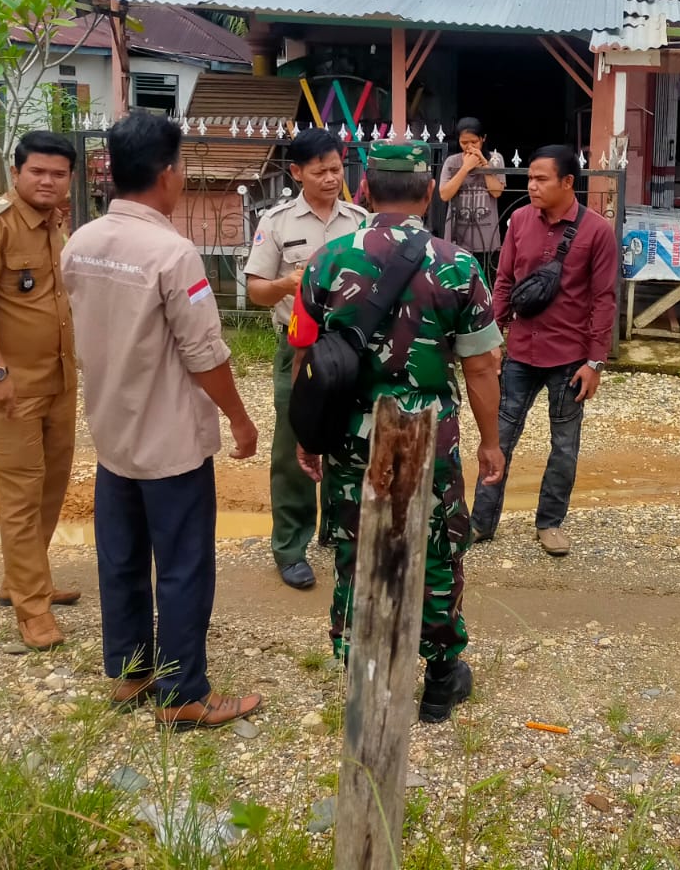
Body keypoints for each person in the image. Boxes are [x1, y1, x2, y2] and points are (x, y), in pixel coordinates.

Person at [288, 142, 505, 724]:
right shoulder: (458, 264)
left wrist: (307, 436)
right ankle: (439, 680)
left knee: (358, 548)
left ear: (363, 189)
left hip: (350, 432)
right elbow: (483, 366)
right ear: (429, 192)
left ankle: (365, 674)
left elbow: (307, 358)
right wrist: (490, 442)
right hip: (427, 435)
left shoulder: (325, 262)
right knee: (436, 547)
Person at [62, 111, 263, 729]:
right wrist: (239, 418)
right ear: (169, 174)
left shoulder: (81, 242)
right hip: (170, 442)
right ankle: (184, 696)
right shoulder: (174, 255)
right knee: (182, 567)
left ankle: (129, 676)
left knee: (120, 558)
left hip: (112, 434)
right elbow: (204, 354)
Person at [0, 130, 80, 652]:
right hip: (12, 387)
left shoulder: (58, 222)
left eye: (58, 173)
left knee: (52, 485)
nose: (48, 181)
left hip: (59, 380)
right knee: (21, 494)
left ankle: (26, 579)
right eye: (38, 172)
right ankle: (32, 609)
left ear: (69, 179)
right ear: (17, 173)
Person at [472, 145, 618, 558]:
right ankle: (481, 521)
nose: (531, 186)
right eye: (530, 178)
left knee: (565, 445)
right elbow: (502, 282)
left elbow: (604, 298)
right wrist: (492, 338)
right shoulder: (519, 220)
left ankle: (550, 523)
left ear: (568, 182)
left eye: (541, 179)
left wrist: (595, 362)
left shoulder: (596, 232)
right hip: (518, 352)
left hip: (570, 358)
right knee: (498, 437)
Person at [243, 128, 366, 591]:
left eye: (336, 169)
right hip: (297, 347)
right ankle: (291, 547)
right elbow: (254, 290)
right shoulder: (276, 223)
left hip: (350, 347)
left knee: (348, 438)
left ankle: (336, 530)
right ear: (296, 173)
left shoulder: (359, 220)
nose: (332, 178)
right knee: (295, 444)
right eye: (320, 171)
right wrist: (285, 285)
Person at [437, 117, 506, 280]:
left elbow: (497, 192)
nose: (469, 147)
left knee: (487, 283)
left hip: (487, 239)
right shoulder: (452, 162)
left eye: (474, 142)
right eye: (464, 143)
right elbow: (444, 194)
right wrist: (465, 168)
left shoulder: (495, 159)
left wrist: (483, 165)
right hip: (457, 239)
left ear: (483, 139)